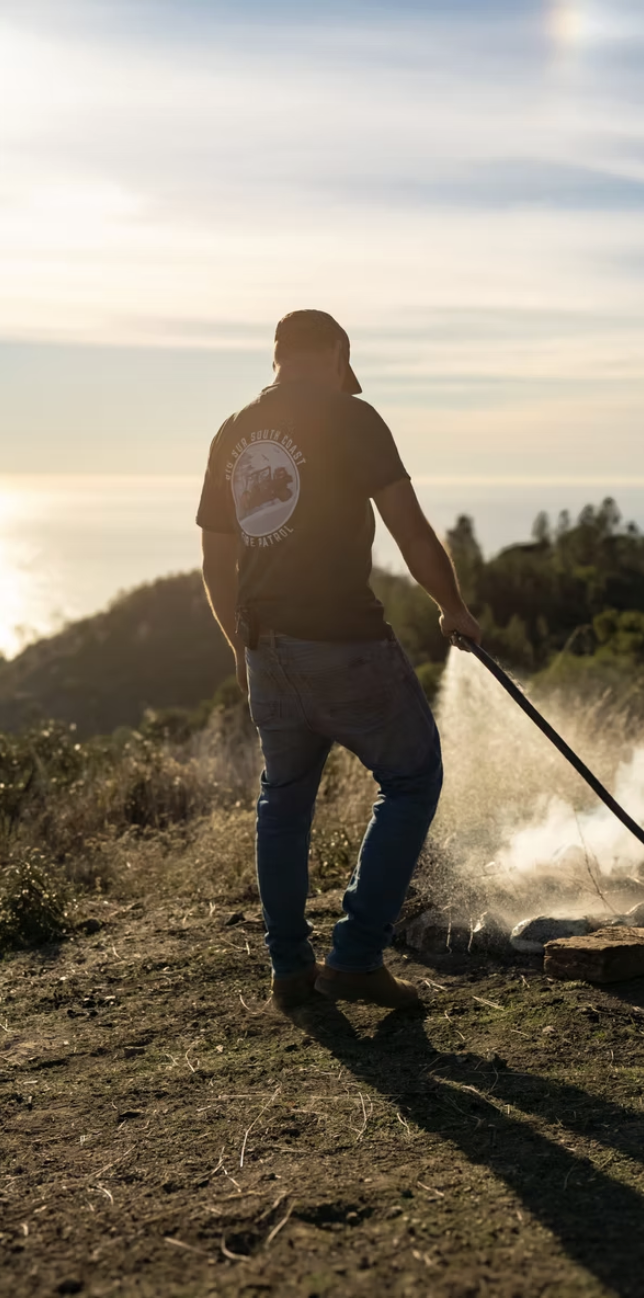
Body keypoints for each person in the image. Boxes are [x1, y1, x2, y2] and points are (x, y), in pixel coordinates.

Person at [197, 309, 481, 1011]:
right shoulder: (353, 418)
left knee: (283, 803)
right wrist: (453, 607)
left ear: (276, 356)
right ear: (335, 353)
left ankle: (290, 971)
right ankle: (355, 957)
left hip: (267, 646)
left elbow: (215, 557)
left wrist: (240, 646)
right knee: (413, 778)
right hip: (345, 643)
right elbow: (409, 528)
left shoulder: (234, 431)